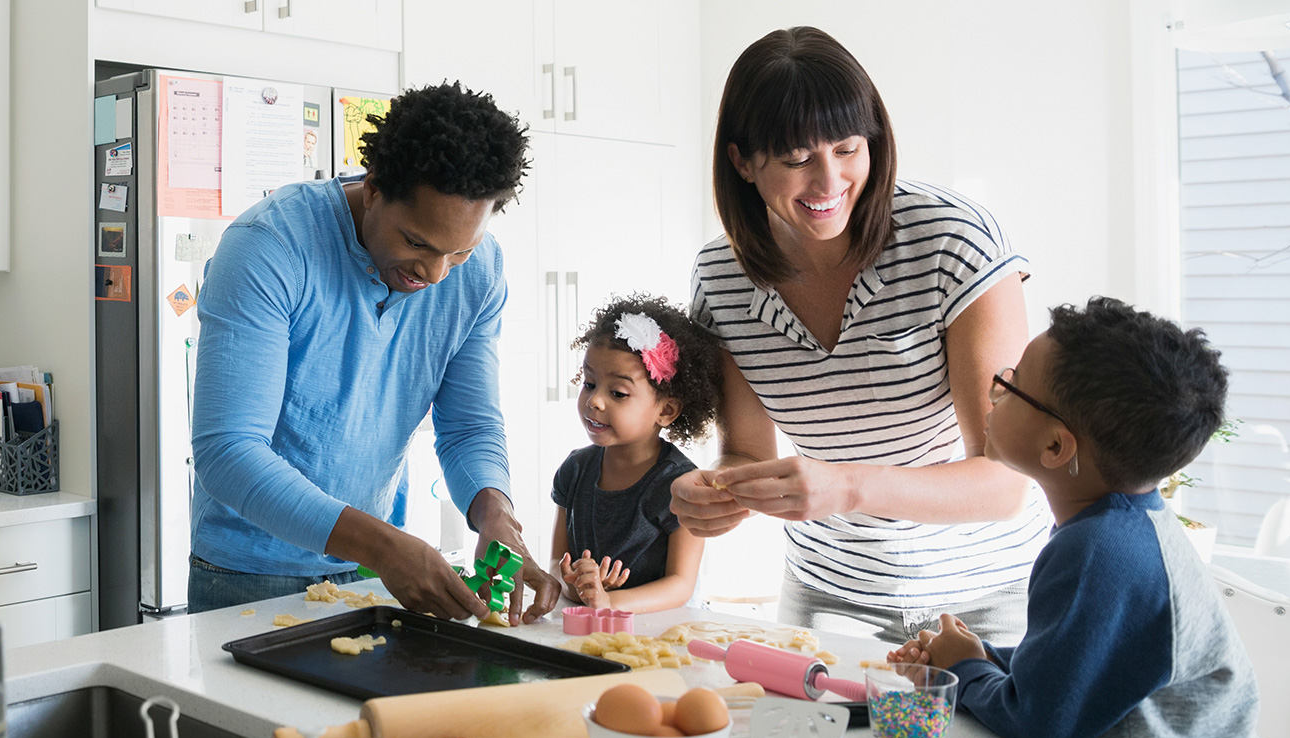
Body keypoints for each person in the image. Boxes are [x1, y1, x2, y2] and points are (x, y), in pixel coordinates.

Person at [671, 27, 1051, 644]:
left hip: (990, 595)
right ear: (742, 160)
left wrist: (846, 484)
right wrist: (717, 491)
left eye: (848, 148)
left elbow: (1005, 481)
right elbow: (746, 451)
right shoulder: (720, 277)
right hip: (828, 595)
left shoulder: (952, 242)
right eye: (797, 159)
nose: (829, 182)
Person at [887, 297, 1290, 738]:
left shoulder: (1097, 551)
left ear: (1056, 447)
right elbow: (1091, 663)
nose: (992, 392)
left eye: (1009, 385)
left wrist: (964, 670)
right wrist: (982, 656)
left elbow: (1041, 718)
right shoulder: (1131, 527)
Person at [189, 82, 562, 621]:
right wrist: (384, 547)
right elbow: (229, 452)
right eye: (417, 243)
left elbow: (469, 428)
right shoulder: (268, 246)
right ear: (376, 187)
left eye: (459, 250)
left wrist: (495, 516)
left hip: (373, 571)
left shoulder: (480, 273)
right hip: (248, 575)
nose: (434, 274)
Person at [549, 294, 718, 613]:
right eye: (589, 383)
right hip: (594, 627)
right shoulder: (574, 470)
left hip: (663, 633)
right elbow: (558, 569)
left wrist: (609, 600)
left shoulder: (683, 486)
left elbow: (680, 585)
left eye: (618, 393)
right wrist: (582, 585)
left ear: (666, 410)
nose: (594, 401)